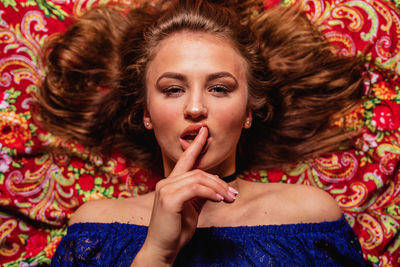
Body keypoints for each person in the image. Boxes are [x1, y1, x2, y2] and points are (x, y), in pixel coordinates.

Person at [36, 0, 367, 265]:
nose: (195, 108)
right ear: (145, 113)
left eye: (220, 88)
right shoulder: (95, 229)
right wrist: (156, 254)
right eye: (174, 89)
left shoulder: (310, 217)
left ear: (249, 112)